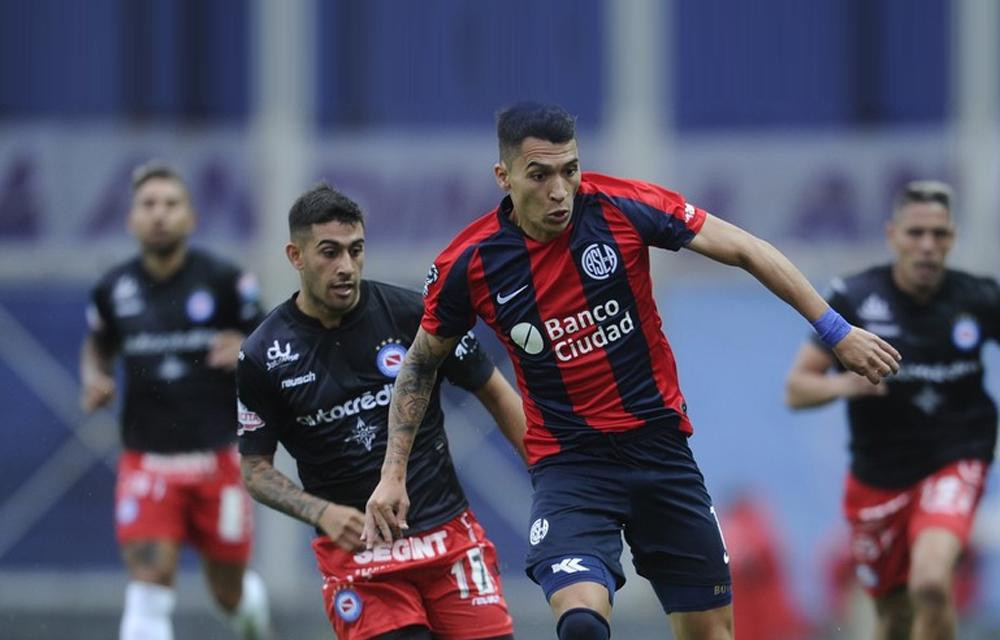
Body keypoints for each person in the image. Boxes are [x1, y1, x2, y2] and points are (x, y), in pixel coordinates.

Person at [363, 102, 901, 640]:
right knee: (581, 625)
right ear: (503, 177)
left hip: (661, 453)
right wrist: (392, 475)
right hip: (571, 466)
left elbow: (744, 248)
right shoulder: (470, 263)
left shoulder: (621, 205)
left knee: (711, 633)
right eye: (540, 174)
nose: (559, 190)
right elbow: (419, 365)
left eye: (569, 170)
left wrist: (837, 331)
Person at [236, 184, 525, 640]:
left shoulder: (411, 315)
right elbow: (254, 468)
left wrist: (547, 474)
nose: (346, 267)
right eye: (329, 252)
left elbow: (495, 391)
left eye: (356, 250)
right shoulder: (262, 354)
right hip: (361, 558)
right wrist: (322, 513)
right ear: (296, 255)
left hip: (447, 540)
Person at [785, 180, 997, 640]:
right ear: (892, 235)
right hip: (878, 475)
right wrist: (847, 383)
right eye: (916, 233)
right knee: (893, 617)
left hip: (956, 458)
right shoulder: (856, 299)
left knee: (932, 583)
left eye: (938, 235)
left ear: (952, 239)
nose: (927, 246)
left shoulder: (979, 299)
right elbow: (796, 390)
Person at [79, 162, 272, 640]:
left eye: (171, 204)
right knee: (149, 581)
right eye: (148, 205)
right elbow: (98, 343)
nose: (159, 214)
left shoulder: (226, 281)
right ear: (131, 220)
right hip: (148, 461)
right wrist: (96, 376)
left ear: (191, 218)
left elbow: (273, 339)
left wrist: (246, 348)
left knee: (227, 594)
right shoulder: (113, 289)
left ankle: (252, 617)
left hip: (219, 461)